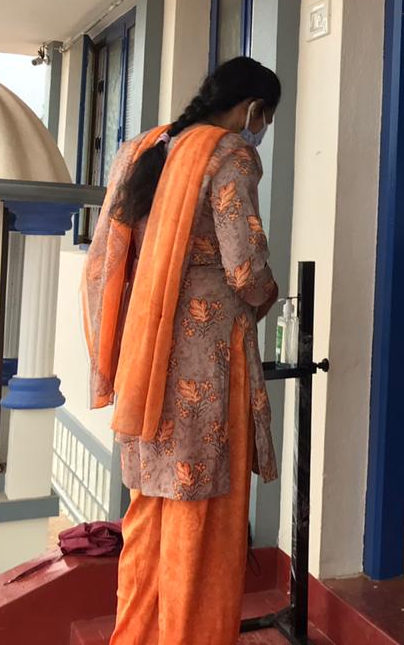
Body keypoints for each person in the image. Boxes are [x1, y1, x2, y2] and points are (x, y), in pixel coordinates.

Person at [82, 56, 282, 645]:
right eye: (265, 119)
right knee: (202, 514)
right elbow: (245, 267)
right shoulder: (230, 153)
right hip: (205, 360)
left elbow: (105, 261)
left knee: (149, 508)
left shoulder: (141, 149)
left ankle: (139, 635)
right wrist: (269, 295)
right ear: (253, 109)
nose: (261, 129)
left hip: (143, 355)